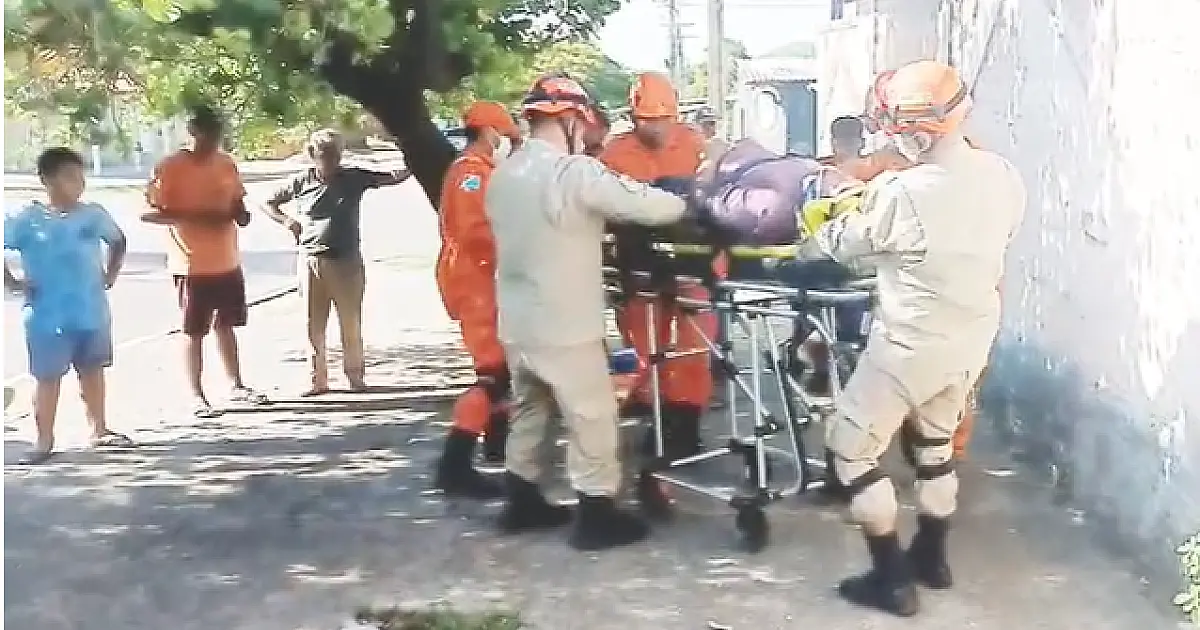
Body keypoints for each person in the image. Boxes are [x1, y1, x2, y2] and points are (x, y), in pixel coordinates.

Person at [794, 60, 1026, 616]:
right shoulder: (1004, 176)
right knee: (935, 446)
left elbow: (838, 246)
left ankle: (891, 577)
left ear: (905, 130)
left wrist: (824, 223)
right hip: (970, 338)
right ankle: (933, 557)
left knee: (851, 451)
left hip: (908, 344)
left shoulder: (903, 192)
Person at [485, 74, 688, 551]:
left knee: (530, 409)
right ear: (573, 119)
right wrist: (687, 200)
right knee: (591, 414)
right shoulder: (573, 173)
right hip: (565, 320)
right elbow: (647, 206)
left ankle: (522, 501)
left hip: (517, 319)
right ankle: (597, 516)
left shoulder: (505, 173)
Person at [599, 71, 714, 461]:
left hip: (693, 265)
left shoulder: (695, 145)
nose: (655, 128)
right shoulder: (615, 154)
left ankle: (686, 426)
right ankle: (658, 422)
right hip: (639, 267)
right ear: (633, 118)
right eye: (647, 120)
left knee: (695, 348)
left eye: (662, 119)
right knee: (647, 350)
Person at [3, 148, 133, 464]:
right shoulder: (27, 220)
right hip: (47, 315)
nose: (79, 183)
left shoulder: (92, 215)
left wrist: (110, 273)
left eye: (81, 176)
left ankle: (99, 430)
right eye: (70, 177)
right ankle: (44, 440)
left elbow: (117, 240)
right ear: (47, 180)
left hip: (90, 309)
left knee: (93, 371)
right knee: (47, 378)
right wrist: (12, 282)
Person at [141, 105, 270, 419]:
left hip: (227, 259)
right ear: (193, 132)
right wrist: (196, 217)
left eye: (217, 136)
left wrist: (240, 213)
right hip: (191, 263)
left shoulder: (226, 164)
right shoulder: (170, 167)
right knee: (194, 330)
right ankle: (197, 395)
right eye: (207, 135)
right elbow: (148, 212)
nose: (213, 142)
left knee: (227, 325)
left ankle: (236, 385)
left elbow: (238, 200)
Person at [261, 129, 412, 396]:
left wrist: (412, 152)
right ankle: (317, 380)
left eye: (335, 155)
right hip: (311, 260)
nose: (331, 161)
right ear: (312, 155)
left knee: (350, 321)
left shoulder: (353, 177)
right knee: (314, 323)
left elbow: (394, 177)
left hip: (346, 261)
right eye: (325, 156)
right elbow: (268, 202)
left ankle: (355, 376)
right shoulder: (301, 181)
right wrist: (287, 221)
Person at [429, 101, 522, 499]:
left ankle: (496, 445)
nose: (511, 145)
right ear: (490, 133)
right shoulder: (471, 173)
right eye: (508, 137)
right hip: (477, 283)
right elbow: (475, 233)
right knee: (493, 375)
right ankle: (455, 463)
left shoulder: (479, 170)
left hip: (480, 281)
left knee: (501, 373)